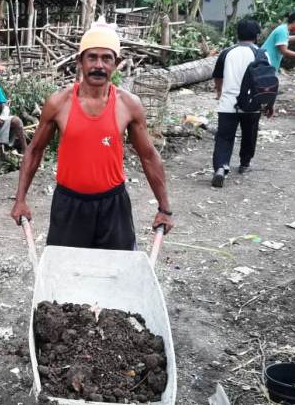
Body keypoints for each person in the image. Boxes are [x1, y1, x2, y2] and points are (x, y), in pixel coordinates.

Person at [10, 24, 173, 249]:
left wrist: (165, 209)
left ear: (116, 63)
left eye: (106, 58)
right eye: (92, 57)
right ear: (80, 62)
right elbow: (35, 151)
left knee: (116, 267)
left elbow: (148, 156)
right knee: (66, 267)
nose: (99, 65)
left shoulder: (129, 105)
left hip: (113, 206)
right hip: (69, 205)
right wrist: (20, 200)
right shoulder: (59, 103)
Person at [210, 19, 265, 188]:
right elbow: (266, 80)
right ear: (256, 35)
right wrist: (268, 104)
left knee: (224, 137)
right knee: (249, 134)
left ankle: (221, 167)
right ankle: (244, 163)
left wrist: (219, 92)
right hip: (252, 104)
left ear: (237, 34)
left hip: (228, 104)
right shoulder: (260, 53)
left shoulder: (227, 52)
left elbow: (218, 76)